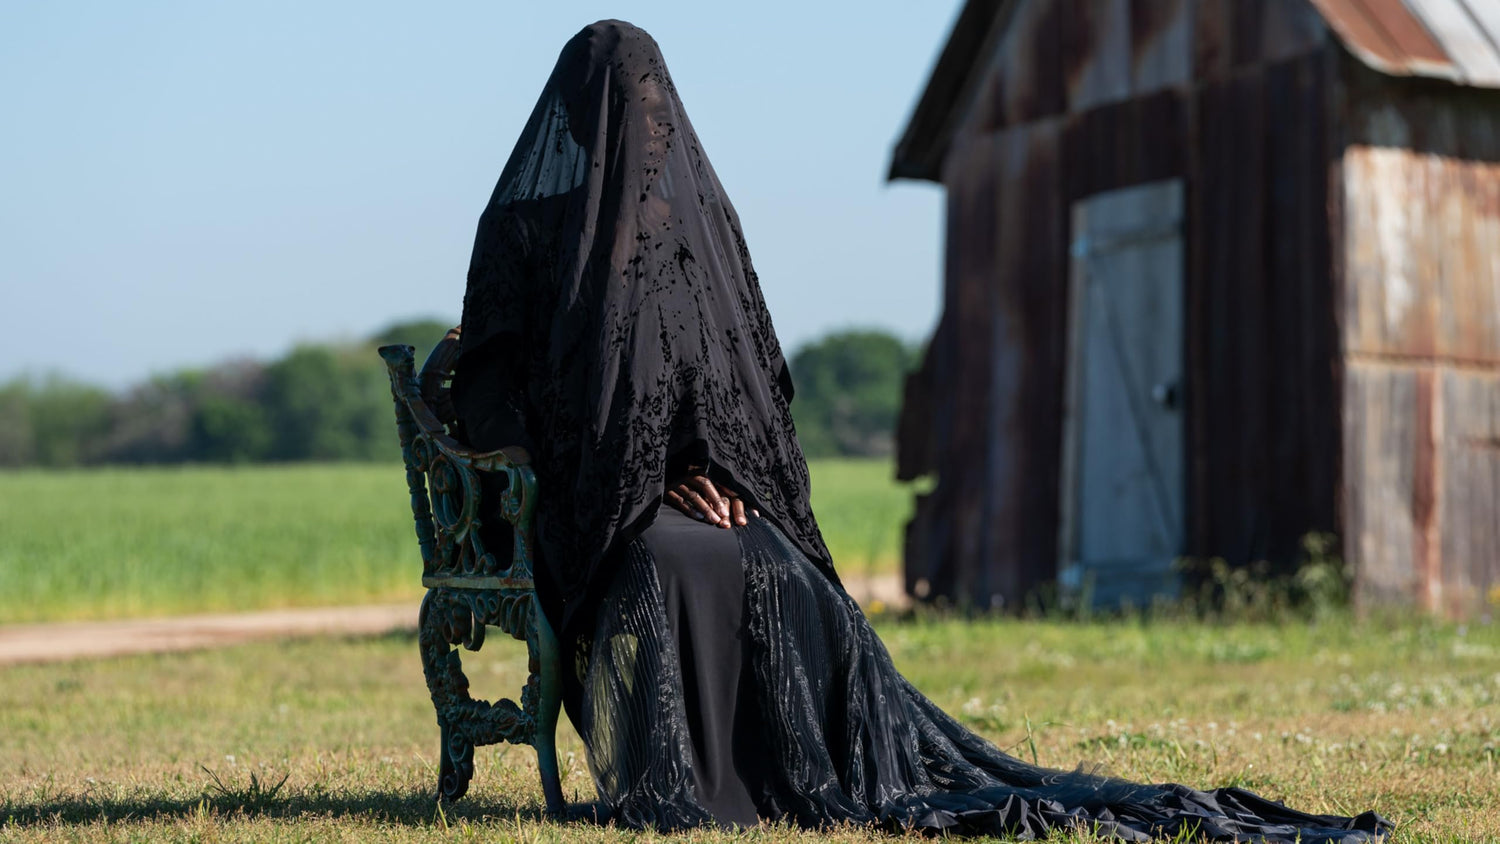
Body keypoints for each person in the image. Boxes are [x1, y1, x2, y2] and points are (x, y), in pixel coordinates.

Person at [451, 20, 1389, 842]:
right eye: (624, 105)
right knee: (666, 566)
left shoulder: (693, 227)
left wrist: (719, 471)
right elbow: (491, 387)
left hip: (697, 490)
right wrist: (615, 478)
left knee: (785, 571)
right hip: (592, 507)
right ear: (576, 117)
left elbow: (740, 382)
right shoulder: (523, 233)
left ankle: (785, 776)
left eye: (656, 105)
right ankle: (684, 782)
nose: (644, 124)